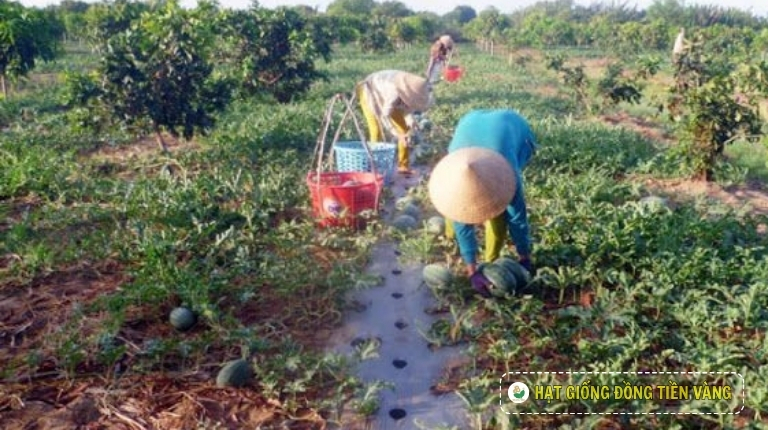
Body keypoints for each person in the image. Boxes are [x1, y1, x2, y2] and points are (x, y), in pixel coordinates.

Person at [427, 109, 537, 298]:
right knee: (461, 211)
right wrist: (472, 270)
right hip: (470, 122)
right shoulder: (455, 170)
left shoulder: (507, 172)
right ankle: (475, 249)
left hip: (514, 129)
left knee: (502, 209)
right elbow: (461, 220)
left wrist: (524, 255)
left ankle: (491, 258)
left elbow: (517, 216)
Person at [356, 70, 434, 175]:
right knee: (376, 130)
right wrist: (397, 134)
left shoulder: (410, 90)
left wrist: (411, 122)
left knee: (404, 130)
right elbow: (385, 116)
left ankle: (403, 166)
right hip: (369, 91)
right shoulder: (394, 92)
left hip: (386, 97)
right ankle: (373, 167)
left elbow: (407, 110)